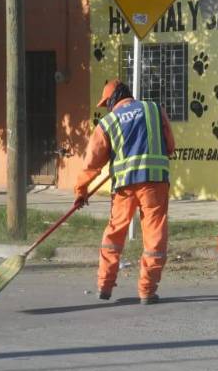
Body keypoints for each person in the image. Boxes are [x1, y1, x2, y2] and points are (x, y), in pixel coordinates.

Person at [75, 80, 175, 304]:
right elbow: (170, 146)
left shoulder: (108, 122)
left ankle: (104, 285)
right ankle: (147, 291)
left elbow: (92, 162)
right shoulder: (154, 109)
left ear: (113, 99)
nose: (107, 108)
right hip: (155, 183)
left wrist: (81, 190)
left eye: (107, 103)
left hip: (124, 187)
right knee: (154, 237)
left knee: (114, 234)